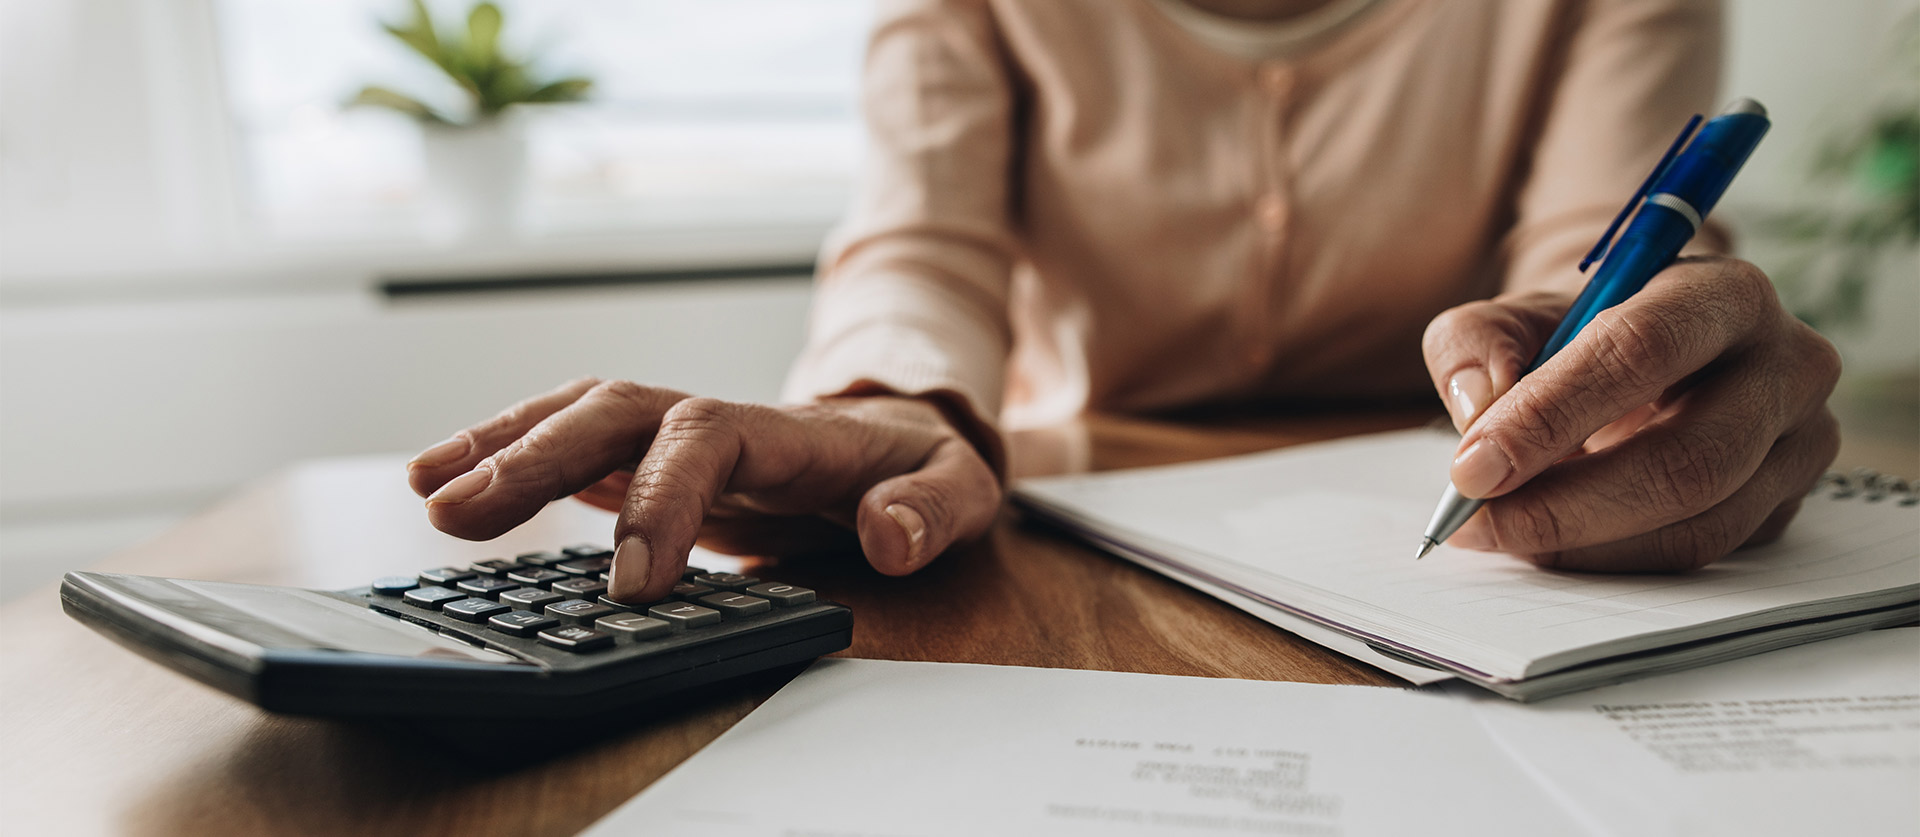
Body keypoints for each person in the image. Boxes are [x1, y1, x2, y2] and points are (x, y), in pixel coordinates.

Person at [406, 0, 1840, 604]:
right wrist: (886, 403)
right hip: (1075, 530)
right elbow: (923, 242)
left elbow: (1591, 256)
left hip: (1466, 530)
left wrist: (1624, 361)